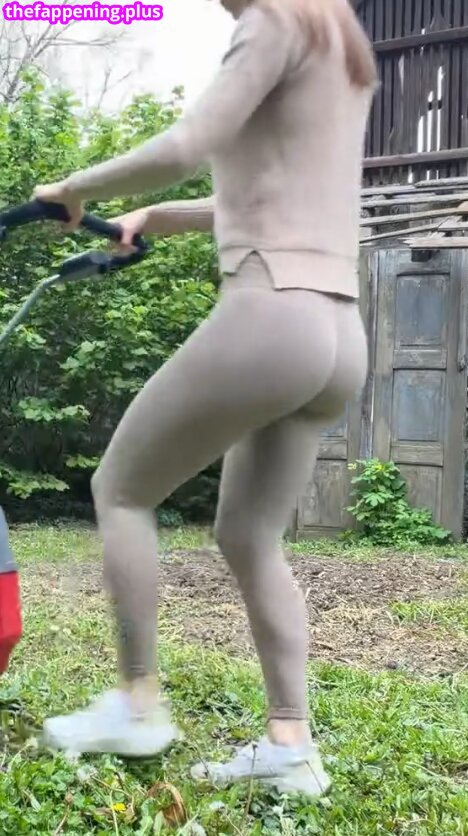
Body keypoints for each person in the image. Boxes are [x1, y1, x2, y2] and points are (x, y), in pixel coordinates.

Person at [33, 0, 377, 796]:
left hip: (272, 313)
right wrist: (157, 216)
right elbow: (276, 193)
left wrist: (74, 187)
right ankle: (291, 746)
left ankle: (137, 702)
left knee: (121, 489)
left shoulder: (272, 19)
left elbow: (189, 143)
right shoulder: (340, 41)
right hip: (337, 333)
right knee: (250, 535)